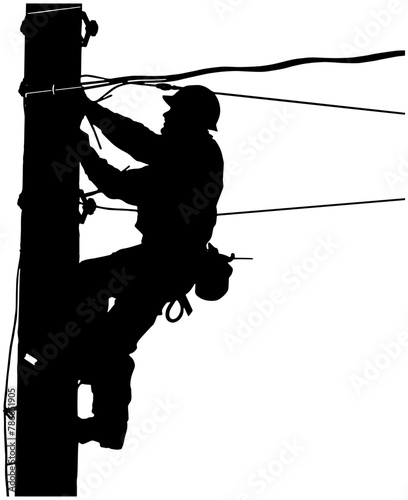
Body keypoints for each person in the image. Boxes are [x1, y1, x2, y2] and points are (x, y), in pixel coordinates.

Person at [76, 85, 224, 449]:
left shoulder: (193, 156)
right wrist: (86, 121)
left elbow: (128, 163)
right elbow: (135, 155)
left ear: (189, 120)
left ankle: (102, 405)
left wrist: (82, 136)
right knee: (98, 307)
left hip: (164, 264)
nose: (165, 117)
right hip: (161, 261)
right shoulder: (189, 155)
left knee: (100, 312)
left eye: (173, 113)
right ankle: (87, 358)